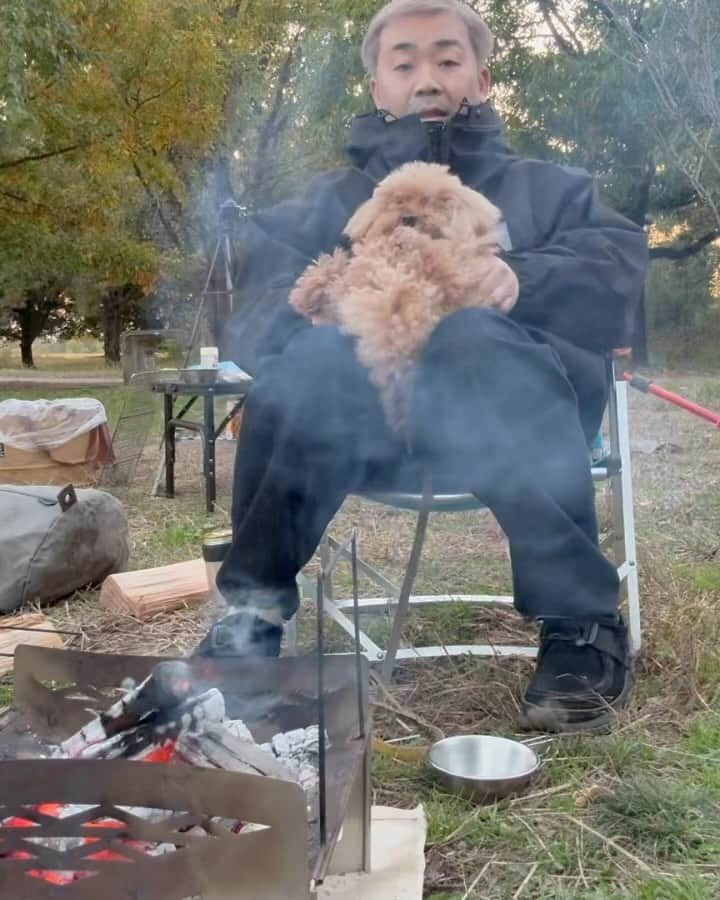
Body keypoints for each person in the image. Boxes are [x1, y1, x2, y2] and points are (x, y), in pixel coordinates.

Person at [194, 0, 649, 732]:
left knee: (471, 335)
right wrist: (312, 310)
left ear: (484, 77)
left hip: (514, 430)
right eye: (403, 62)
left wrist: (521, 278)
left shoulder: (550, 188)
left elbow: (619, 268)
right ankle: (250, 621)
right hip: (362, 433)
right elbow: (251, 307)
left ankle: (579, 626)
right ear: (377, 85)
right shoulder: (331, 203)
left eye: (447, 57)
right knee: (313, 356)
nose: (427, 77)